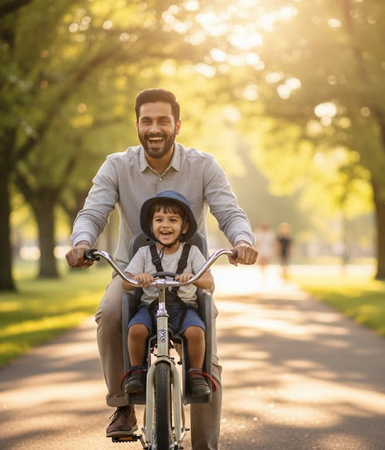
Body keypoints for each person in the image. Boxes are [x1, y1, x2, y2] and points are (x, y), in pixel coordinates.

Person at [64, 88, 257, 450]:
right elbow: (93, 211)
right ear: (136, 125)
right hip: (132, 275)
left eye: (163, 121)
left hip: (188, 279)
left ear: (177, 125)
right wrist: (81, 242)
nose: (155, 128)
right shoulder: (117, 166)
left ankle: (204, 446)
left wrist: (242, 241)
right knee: (108, 316)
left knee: (208, 359)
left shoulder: (203, 165)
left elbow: (229, 211)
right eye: (147, 121)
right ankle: (122, 406)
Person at [122, 191, 213, 398]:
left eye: (173, 220)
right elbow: (125, 282)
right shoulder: (144, 253)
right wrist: (138, 279)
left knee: (196, 332)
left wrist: (193, 277)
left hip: (183, 308)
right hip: (150, 308)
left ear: (185, 227)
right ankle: (137, 371)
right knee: (135, 330)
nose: (165, 225)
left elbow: (209, 281)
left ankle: (196, 374)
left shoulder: (192, 253)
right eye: (159, 220)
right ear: (151, 225)